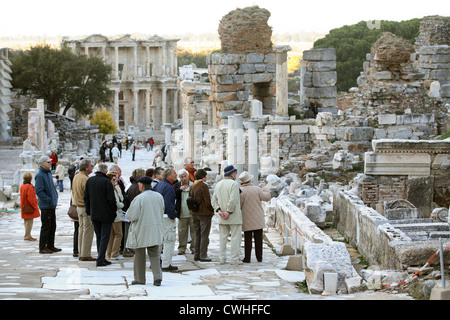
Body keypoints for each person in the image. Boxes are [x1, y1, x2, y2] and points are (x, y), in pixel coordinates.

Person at [126, 176, 164, 286]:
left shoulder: (139, 198)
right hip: (155, 229)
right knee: (155, 255)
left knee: (139, 256)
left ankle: (140, 279)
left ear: (141, 185)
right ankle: (157, 277)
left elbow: (131, 215)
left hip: (141, 230)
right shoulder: (159, 196)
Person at [84, 163, 117, 267]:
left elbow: (86, 197)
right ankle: (100, 259)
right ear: (106, 171)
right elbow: (111, 200)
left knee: (99, 236)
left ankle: (101, 257)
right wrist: (113, 211)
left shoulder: (90, 180)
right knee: (105, 237)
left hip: (94, 213)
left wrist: (88, 211)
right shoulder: (106, 182)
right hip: (106, 214)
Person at [211, 165, 242, 265]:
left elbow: (214, 200)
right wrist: (228, 211)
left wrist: (219, 211)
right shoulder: (234, 184)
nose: (236, 175)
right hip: (233, 216)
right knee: (235, 238)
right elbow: (233, 199)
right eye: (235, 173)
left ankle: (222, 258)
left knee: (222, 238)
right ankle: (234, 259)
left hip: (222, 216)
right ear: (232, 173)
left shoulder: (218, 184)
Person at [239, 171, 271, 263]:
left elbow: (239, 205)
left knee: (247, 239)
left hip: (246, 217)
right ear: (249, 180)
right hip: (258, 217)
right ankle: (259, 257)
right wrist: (265, 188)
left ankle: (247, 258)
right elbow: (267, 197)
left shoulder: (240, 190)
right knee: (258, 239)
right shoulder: (257, 189)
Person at [153, 167, 178, 272]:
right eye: (174, 173)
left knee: (159, 241)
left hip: (158, 216)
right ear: (169, 176)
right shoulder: (168, 187)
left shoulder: (159, 185)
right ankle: (166, 264)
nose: (176, 174)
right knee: (169, 240)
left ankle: (156, 262)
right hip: (166, 217)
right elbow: (168, 204)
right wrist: (172, 216)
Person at [35, 155, 60, 254]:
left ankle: (50, 245)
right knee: (46, 226)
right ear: (43, 163)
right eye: (48, 162)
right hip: (46, 205)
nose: (50, 163)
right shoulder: (40, 175)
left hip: (51, 204)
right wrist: (49, 199)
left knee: (52, 226)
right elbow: (39, 191)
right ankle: (42, 247)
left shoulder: (48, 173)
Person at [72, 159, 96, 261]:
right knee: (87, 232)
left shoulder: (76, 177)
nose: (92, 167)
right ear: (86, 168)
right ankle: (85, 254)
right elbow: (89, 195)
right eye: (91, 166)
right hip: (85, 207)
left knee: (81, 230)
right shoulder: (85, 179)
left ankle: (81, 252)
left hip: (78, 207)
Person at [189, 169, 214, 262]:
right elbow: (207, 201)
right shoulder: (203, 186)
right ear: (203, 177)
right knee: (204, 235)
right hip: (204, 213)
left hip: (194, 213)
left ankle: (197, 254)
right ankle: (203, 255)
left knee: (197, 234)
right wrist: (211, 210)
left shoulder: (192, 186)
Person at [174, 169, 195, 255]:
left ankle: (194, 248)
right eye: (182, 177)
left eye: (185, 176)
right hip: (182, 213)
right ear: (179, 178)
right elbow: (174, 195)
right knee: (182, 232)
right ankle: (182, 248)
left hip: (192, 213)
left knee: (194, 232)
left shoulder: (193, 184)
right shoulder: (177, 185)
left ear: (188, 176)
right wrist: (179, 190)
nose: (184, 178)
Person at [106, 171, 124, 260]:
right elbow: (117, 202)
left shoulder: (113, 188)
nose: (116, 180)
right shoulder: (112, 189)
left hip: (111, 214)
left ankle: (109, 253)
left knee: (112, 235)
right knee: (118, 234)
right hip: (116, 214)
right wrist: (122, 205)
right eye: (114, 179)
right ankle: (114, 253)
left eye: (117, 178)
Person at [20, 172, 40, 241]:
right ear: (31, 179)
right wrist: (35, 206)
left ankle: (28, 235)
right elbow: (31, 198)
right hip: (29, 206)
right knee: (29, 222)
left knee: (26, 222)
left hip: (24, 206)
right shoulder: (30, 187)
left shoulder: (22, 185)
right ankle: (27, 236)